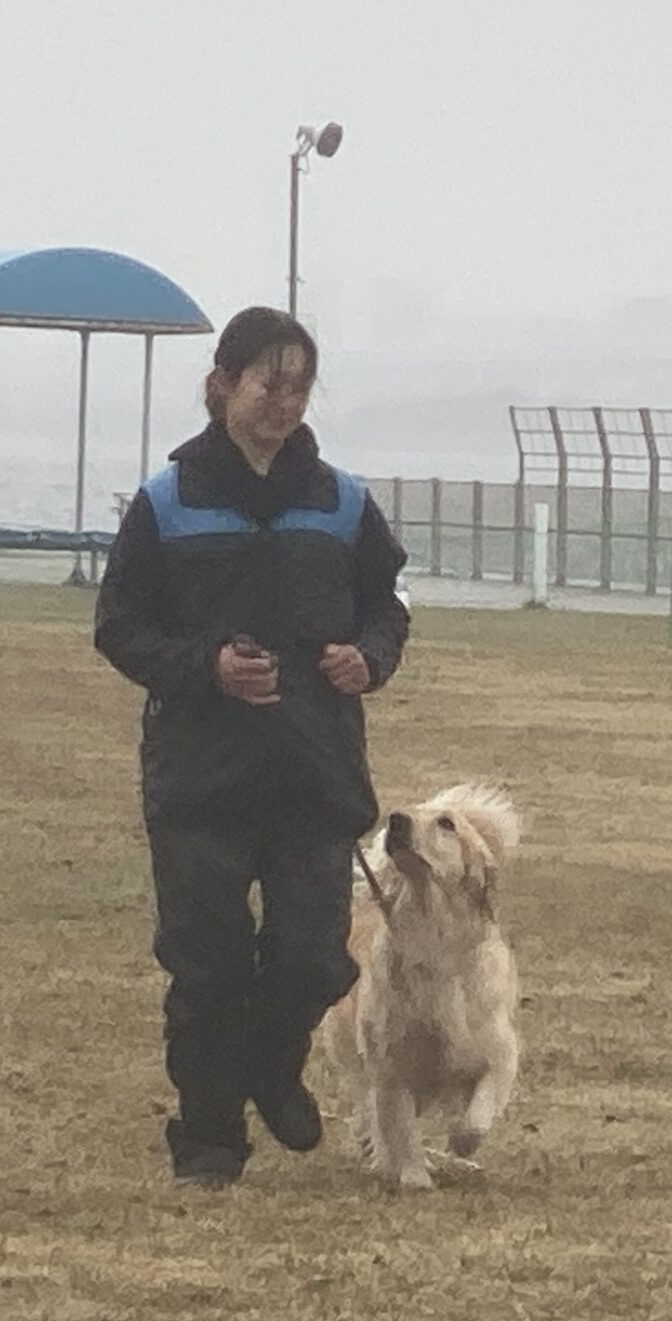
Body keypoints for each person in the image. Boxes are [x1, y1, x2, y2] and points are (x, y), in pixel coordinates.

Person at [93, 306, 411, 1188]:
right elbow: (119, 627)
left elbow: (387, 607)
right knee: (207, 964)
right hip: (201, 776)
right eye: (270, 384)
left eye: (301, 387)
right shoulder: (166, 503)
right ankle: (208, 1139)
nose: (286, 402)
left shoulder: (344, 503)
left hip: (314, 770)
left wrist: (370, 656)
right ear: (221, 385)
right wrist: (207, 666)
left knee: (316, 954)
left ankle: (272, 1065)